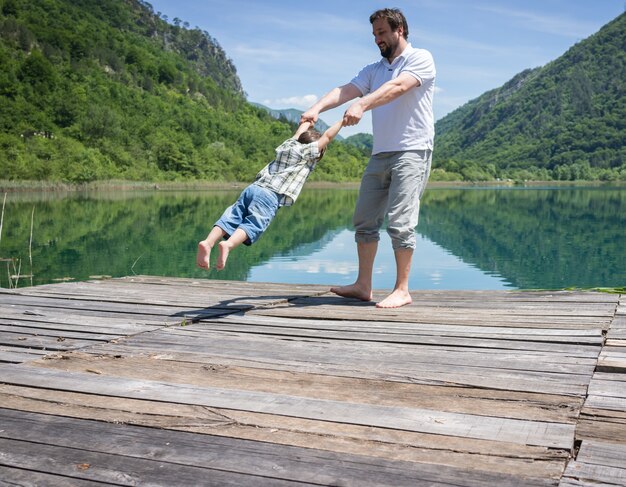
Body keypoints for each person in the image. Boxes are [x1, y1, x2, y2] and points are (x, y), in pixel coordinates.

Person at [301, 7, 436, 309]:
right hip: (381, 153)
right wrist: (316, 109)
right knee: (364, 220)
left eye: (382, 32)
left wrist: (363, 104)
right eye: (375, 34)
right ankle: (364, 286)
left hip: (412, 150)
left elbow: (398, 87)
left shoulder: (420, 59)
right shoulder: (373, 70)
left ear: (399, 30)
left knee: (401, 223)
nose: (377, 39)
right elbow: (346, 89)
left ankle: (402, 289)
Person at [196, 119, 344, 271]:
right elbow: (327, 137)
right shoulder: (306, 153)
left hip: (253, 188)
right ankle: (228, 245)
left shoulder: (289, 145)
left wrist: (307, 121)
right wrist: (343, 122)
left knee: (232, 216)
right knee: (254, 224)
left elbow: (298, 133)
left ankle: (208, 242)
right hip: (270, 194)